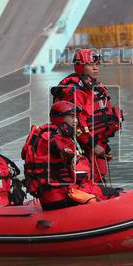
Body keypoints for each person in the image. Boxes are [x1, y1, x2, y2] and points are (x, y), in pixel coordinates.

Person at [50, 48, 123, 183]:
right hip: (79, 145)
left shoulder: (96, 87)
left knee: (100, 173)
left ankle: (99, 192)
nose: (96, 68)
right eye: (90, 65)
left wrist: (105, 146)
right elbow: (74, 124)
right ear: (80, 66)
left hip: (95, 142)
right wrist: (93, 145)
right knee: (87, 176)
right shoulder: (73, 90)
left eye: (97, 64)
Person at [22, 101, 104, 210]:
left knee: (107, 192)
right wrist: (73, 157)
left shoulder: (58, 135)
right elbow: (61, 149)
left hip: (60, 194)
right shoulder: (49, 138)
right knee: (106, 195)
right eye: (71, 117)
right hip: (59, 196)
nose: (76, 120)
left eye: (76, 117)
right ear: (60, 118)